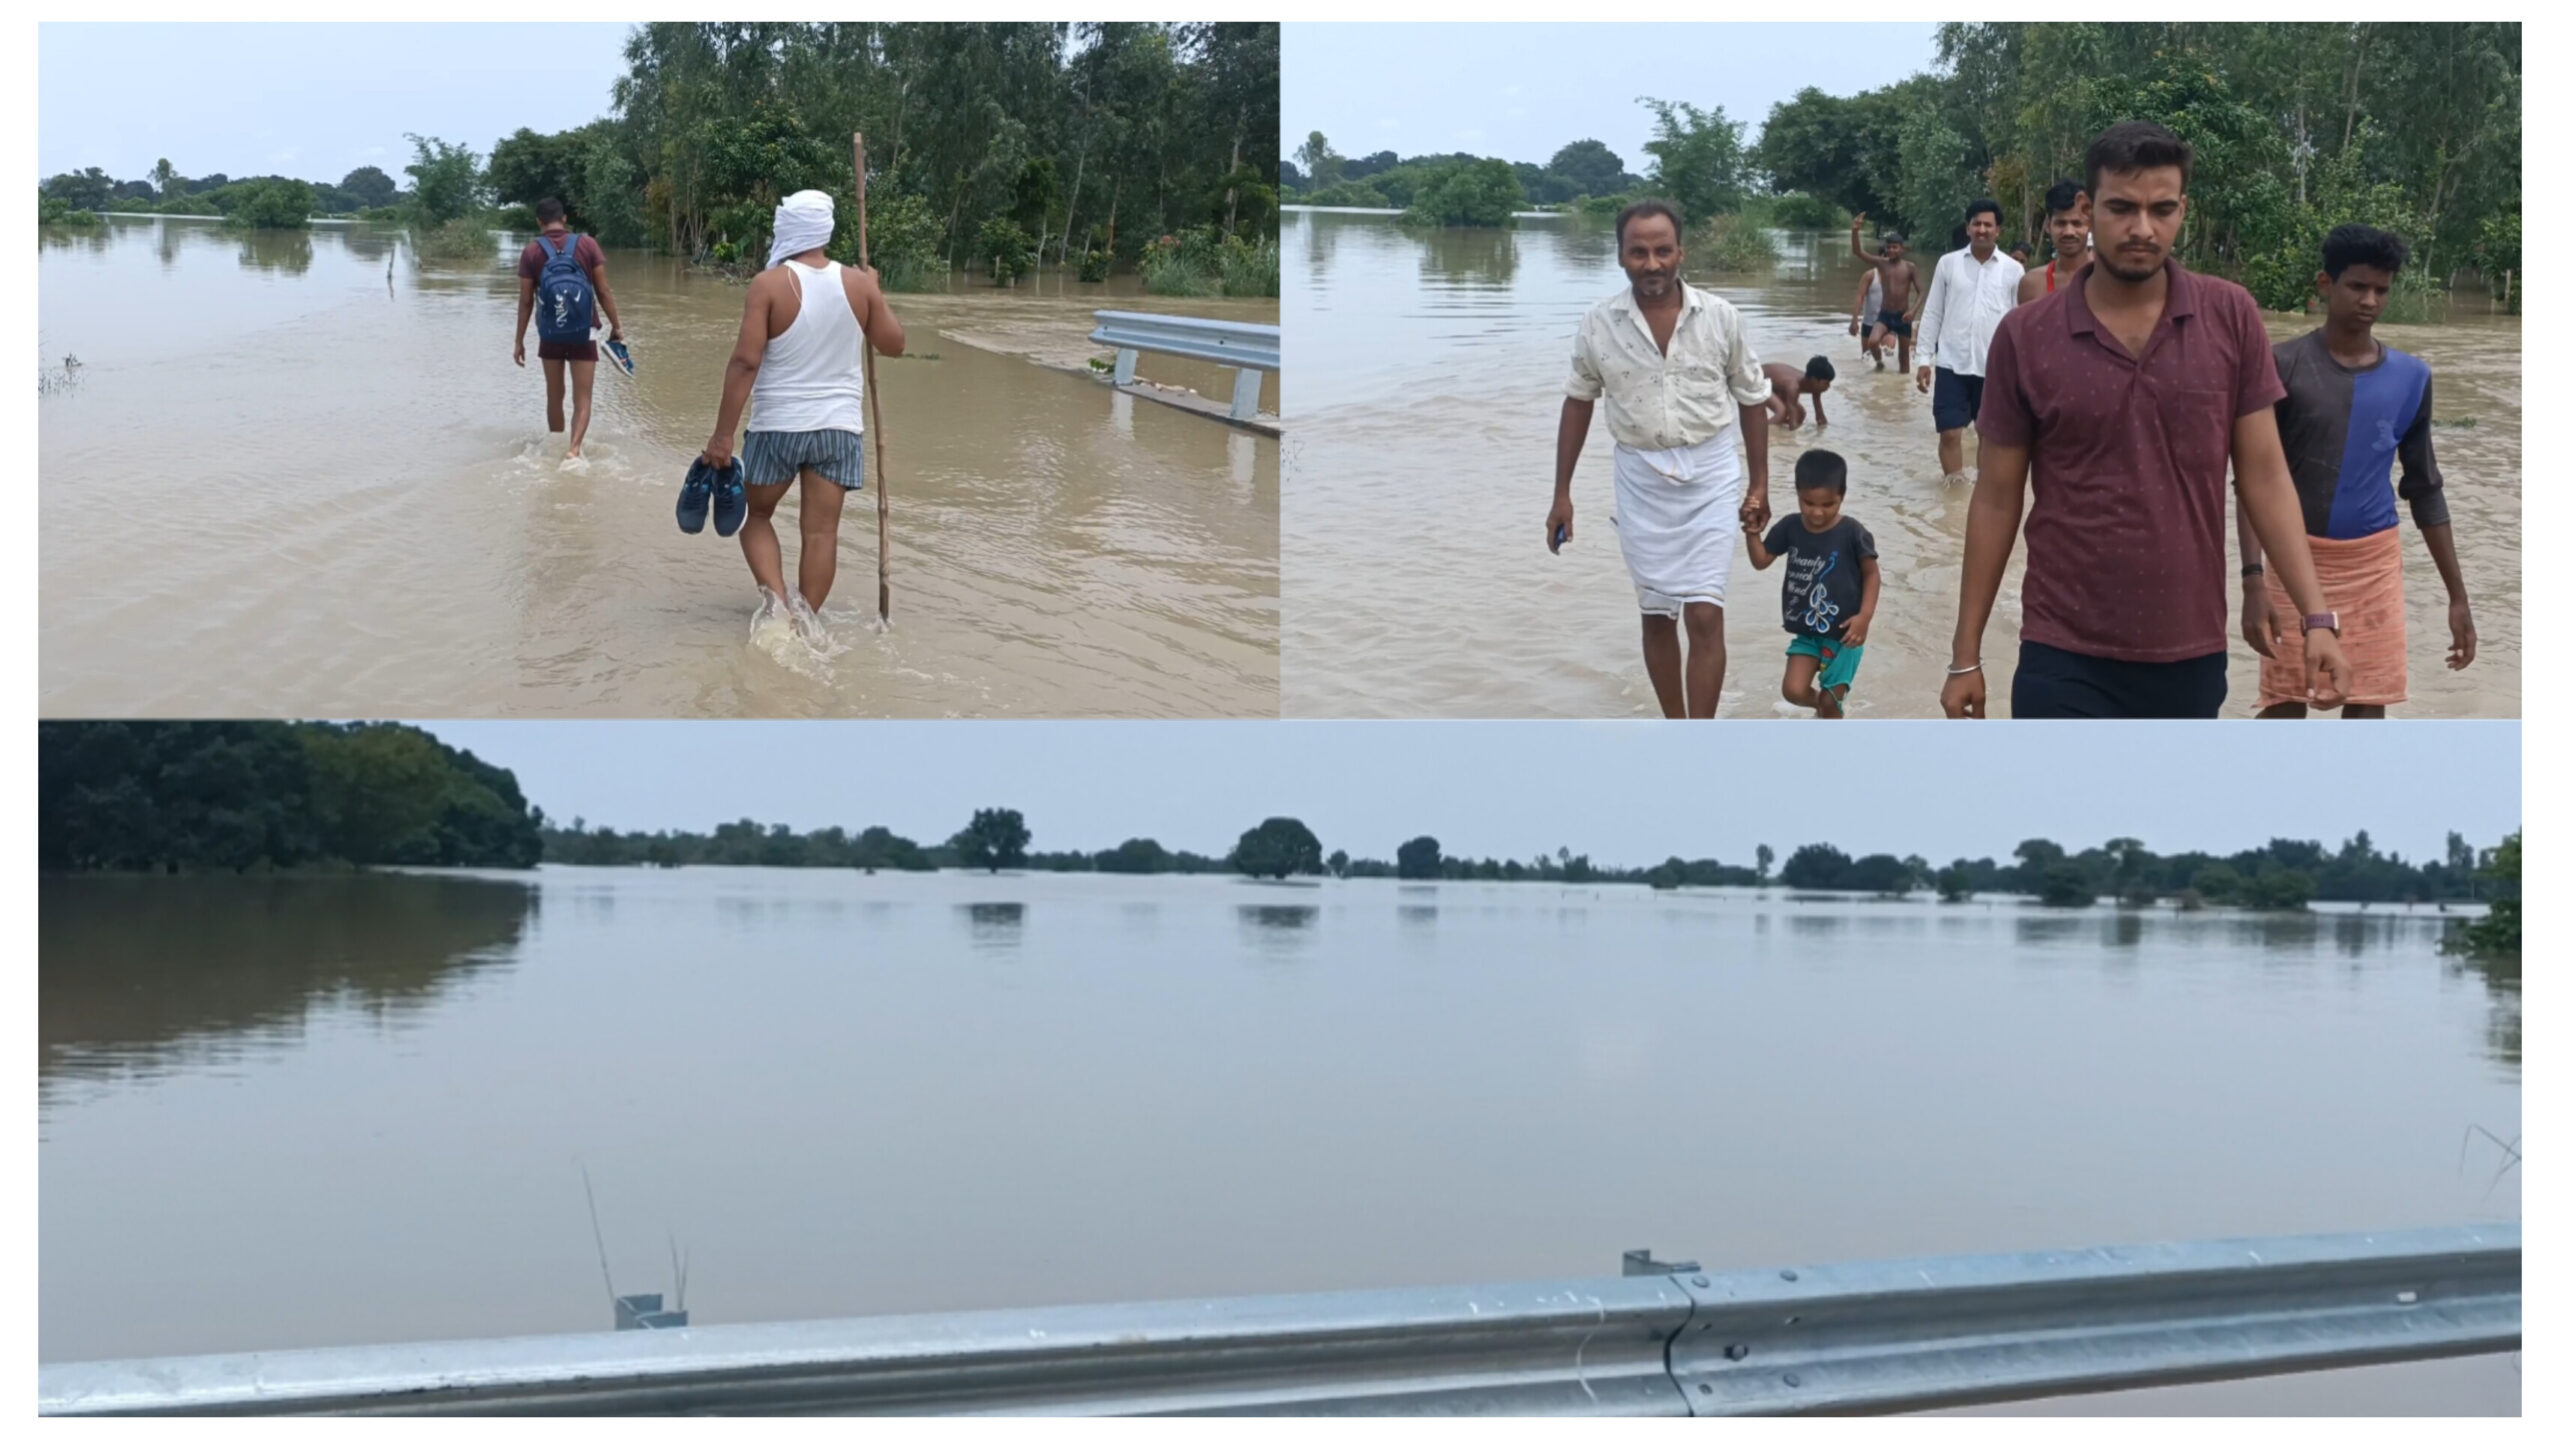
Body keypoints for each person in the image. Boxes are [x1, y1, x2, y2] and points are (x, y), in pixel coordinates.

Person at [1942, 121, 2349, 720]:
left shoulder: (2229, 315)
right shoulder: (2027, 336)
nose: (2142, 228)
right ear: (2086, 209)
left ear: (2184, 210)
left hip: (2188, 644)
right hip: (2062, 646)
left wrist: (2316, 617)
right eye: (2121, 208)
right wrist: (1965, 654)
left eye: (2162, 209)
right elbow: (1998, 499)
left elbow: (2264, 476)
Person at [1549, 199, 1774, 719]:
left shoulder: (1721, 318)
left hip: (1712, 475)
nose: (1652, 264)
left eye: (1663, 251)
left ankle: (1701, 737)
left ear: (1681, 252)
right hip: (1640, 478)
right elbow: (1579, 400)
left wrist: (1759, 484)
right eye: (1639, 252)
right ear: (1620, 256)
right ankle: (1676, 730)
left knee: (1703, 613)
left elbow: (1753, 399)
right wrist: (1562, 494)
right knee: (1656, 616)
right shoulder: (1598, 323)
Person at [2241, 223, 2474, 718]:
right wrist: (2253, 580)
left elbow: (2424, 489)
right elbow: (2252, 485)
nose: (2370, 300)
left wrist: (2458, 596)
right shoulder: (2281, 365)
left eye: (2382, 290)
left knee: (2368, 705)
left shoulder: (2412, 377)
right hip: (2293, 558)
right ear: (2326, 285)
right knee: (2283, 704)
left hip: (2374, 565)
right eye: (2357, 286)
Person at [700, 189, 907, 629]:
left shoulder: (768, 285)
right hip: (838, 429)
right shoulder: (857, 284)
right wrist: (875, 291)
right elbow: (894, 345)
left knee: (756, 516)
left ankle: (778, 609)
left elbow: (745, 362)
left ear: (785, 229)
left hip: (779, 425)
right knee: (821, 533)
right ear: (824, 230)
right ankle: (805, 620)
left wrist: (722, 437)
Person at [1743, 448, 1878, 718]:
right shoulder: (1790, 527)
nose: (1817, 512)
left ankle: (1831, 734)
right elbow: (1761, 561)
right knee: (1793, 690)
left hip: (1845, 637)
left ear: (1842, 496)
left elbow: (1872, 575)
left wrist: (1864, 617)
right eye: (1808, 503)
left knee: (1831, 704)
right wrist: (1752, 532)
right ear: (1797, 492)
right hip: (1808, 633)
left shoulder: (1853, 532)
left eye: (1828, 505)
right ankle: (1825, 709)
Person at [1913, 199, 2024, 484]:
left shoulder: (2013, 270)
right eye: (1977, 224)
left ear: (1998, 230)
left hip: (1995, 367)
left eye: (1988, 225)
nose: (1982, 230)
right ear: (1968, 228)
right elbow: (1934, 311)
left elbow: (2019, 322)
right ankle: (1955, 490)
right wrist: (1924, 358)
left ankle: (1983, 489)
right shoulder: (1948, 264)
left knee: (1988, 435)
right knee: (1950, 432)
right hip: (1952, 363)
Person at [513, 198, 623, 461]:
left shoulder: (531, 252)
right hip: (583, 332)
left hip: (550, 333)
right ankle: (574, 449)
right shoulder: (587, 244)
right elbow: (603, 291)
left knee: (555, 394)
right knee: (582, 396)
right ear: (564, 219)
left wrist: (519, 341)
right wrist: (617, 327)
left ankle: (554, 446)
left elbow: (526, 300)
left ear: (539, 221)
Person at [1848, 217, 1921, 373]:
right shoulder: (1882, 264)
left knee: (1904, 363)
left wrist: (1913, 311)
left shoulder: (1910, 267)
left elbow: (1921, 291)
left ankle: (1901, 393)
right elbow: (1857, 252)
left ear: (1902, 249)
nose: (1891, 250)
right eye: (1888, 247)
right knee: (1873, 342)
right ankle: (1880, 364)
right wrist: (1855, 230)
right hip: (1885, 315)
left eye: (1895, 247)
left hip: (1903, 317)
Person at [2017, 179, 2093, 305]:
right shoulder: (2032, 284)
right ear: (2048, 225)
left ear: (2090, 224)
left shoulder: (2109, 282)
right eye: (2061, 223)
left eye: (2077, 223)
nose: (2069, 232)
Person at [1761, 356, 1835, 430]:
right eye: (1826, 383)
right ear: (1814, 380)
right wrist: (1795, 437)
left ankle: (1774, 427)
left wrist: (1824, 431)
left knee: (1801, 414)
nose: (1828, 386)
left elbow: (1819, 415)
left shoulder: (1815, 387)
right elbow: (1793, 424)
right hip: (1759, 380)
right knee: (1782, 411)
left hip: (1777, 386)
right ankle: (1759, 430)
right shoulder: (1794, 386)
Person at [1850, 266, 1885, 366]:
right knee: (1866, 358)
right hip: (1869, 322)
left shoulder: (1896, 275)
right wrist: (1854, 320)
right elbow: (1860, 296)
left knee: (1888, 353)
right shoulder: (1870, 275)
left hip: (1888, 322)